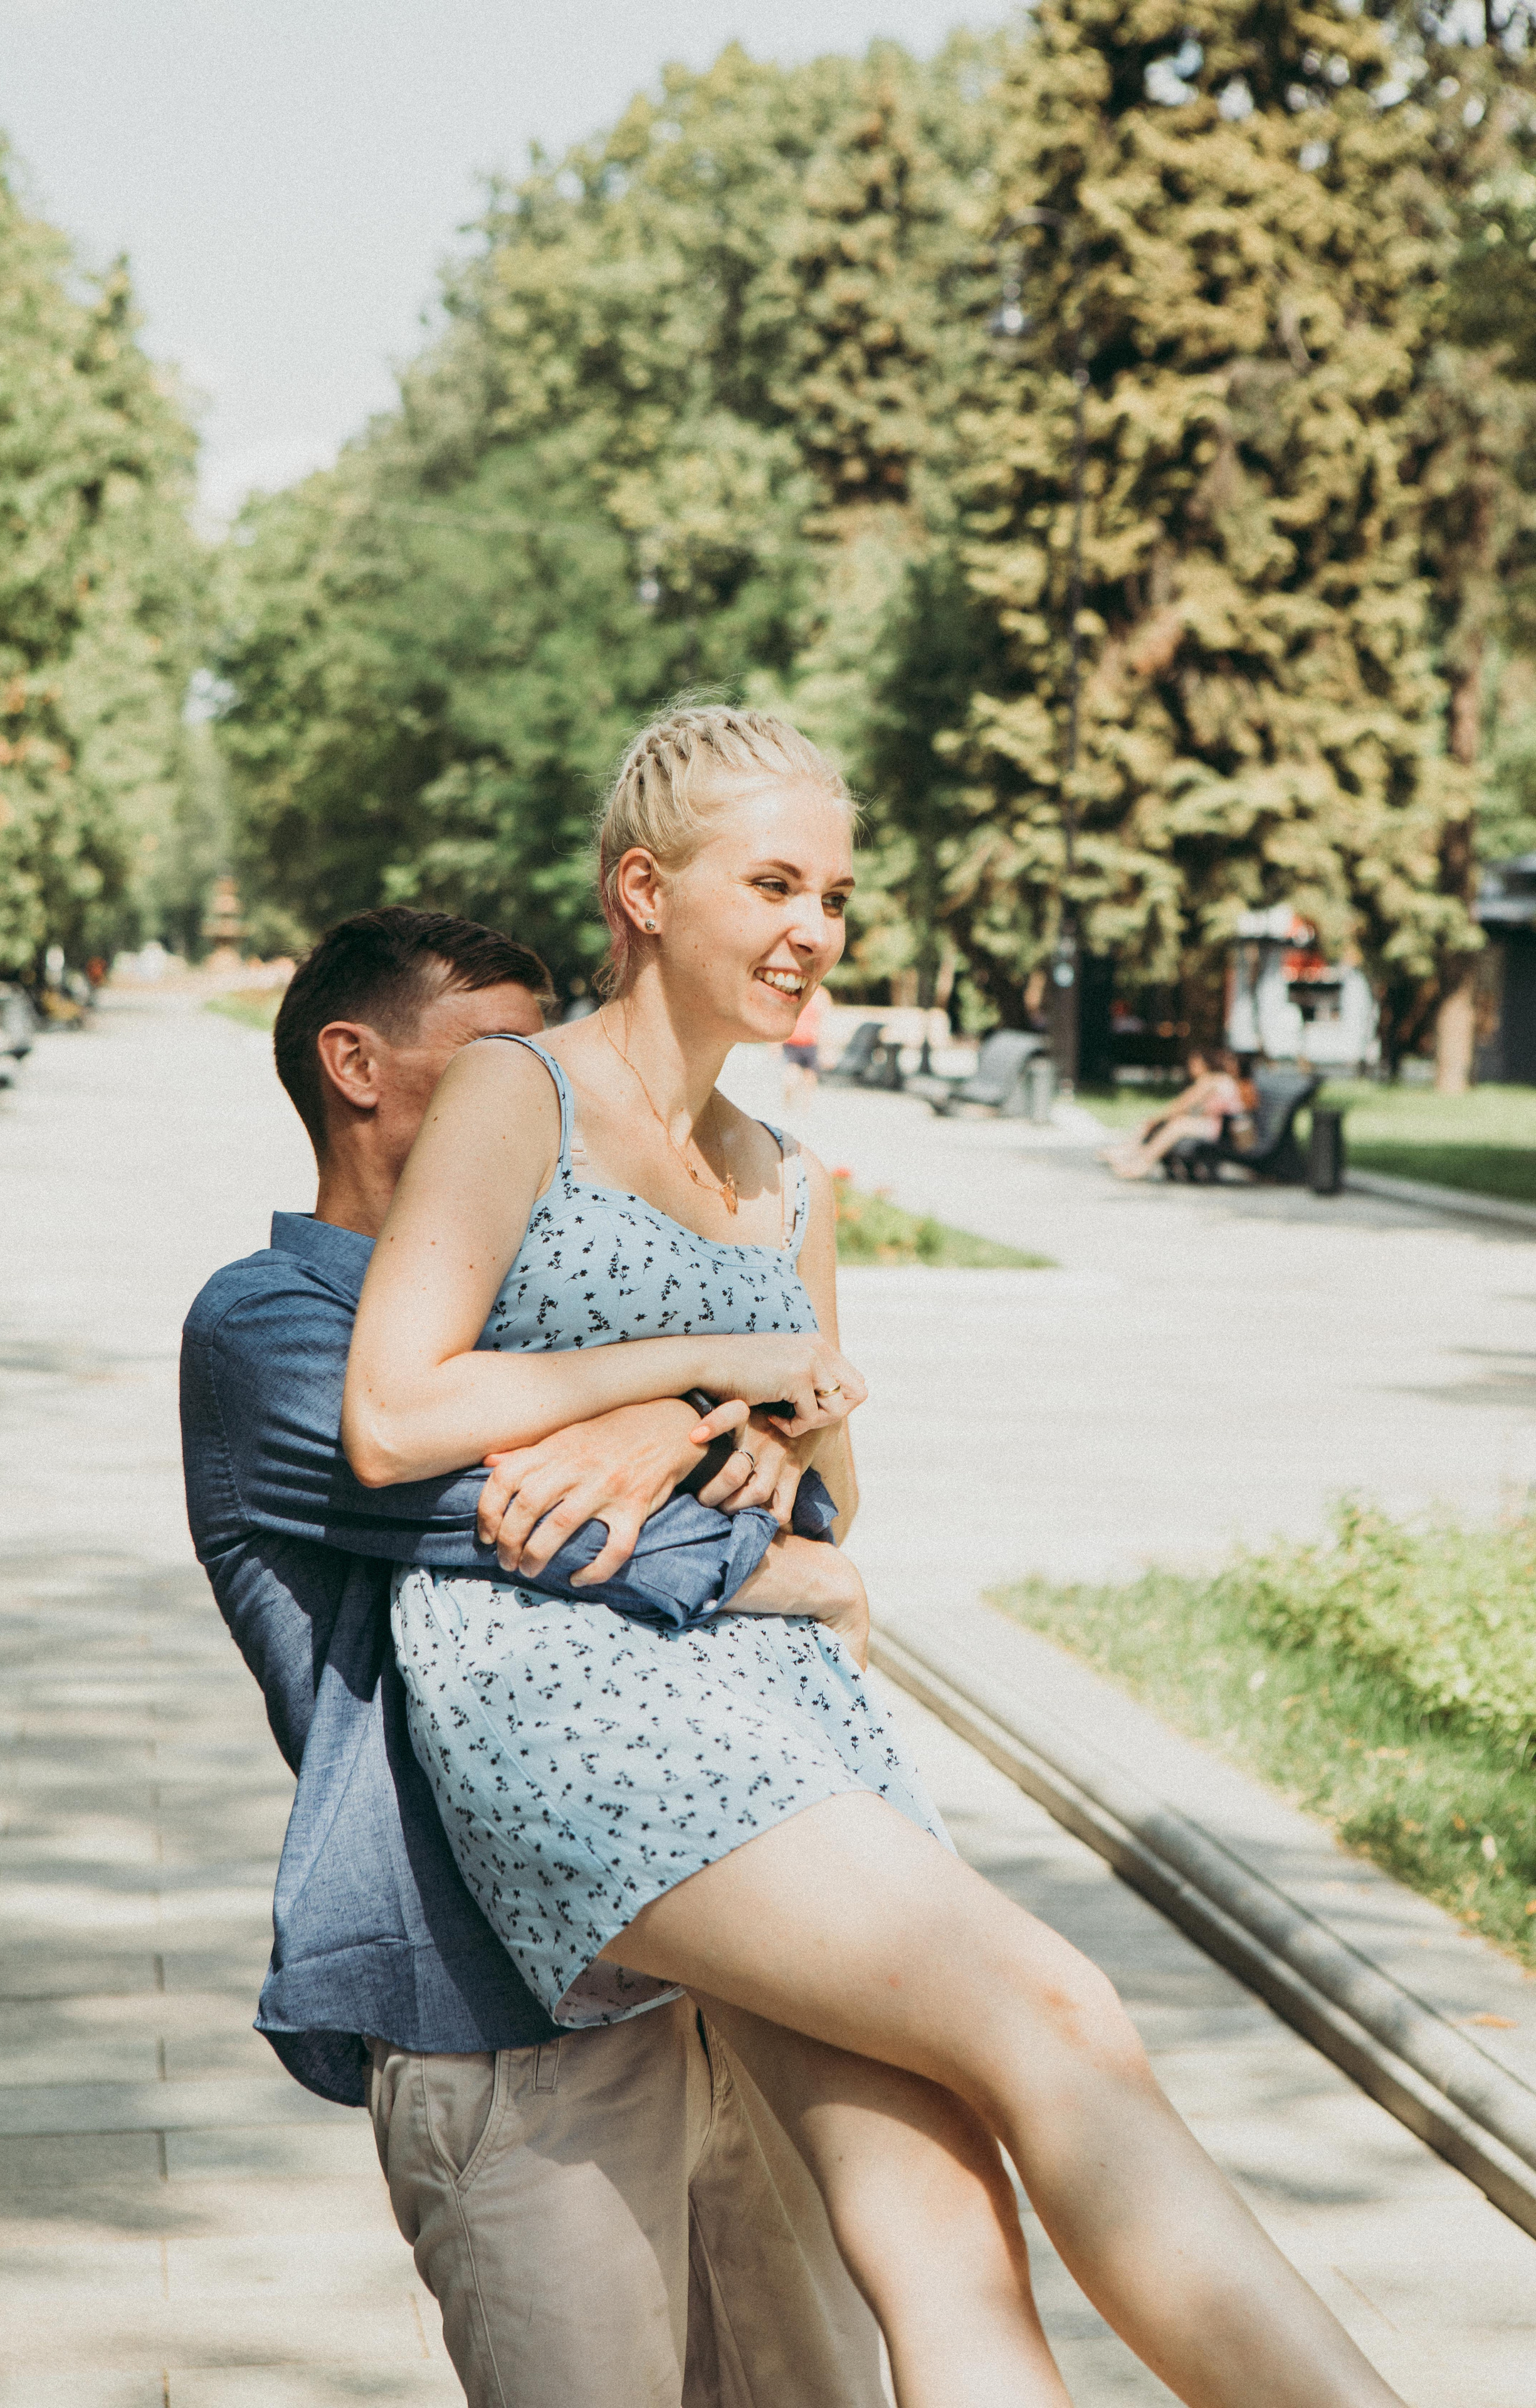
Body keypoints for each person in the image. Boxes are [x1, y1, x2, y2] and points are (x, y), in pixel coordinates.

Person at [344, 707, 1404, 2408]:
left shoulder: (786, 1178)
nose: (814, 931)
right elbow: (392, 1412)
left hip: (788, 1702)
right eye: (773, 884)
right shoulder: (515, 1090)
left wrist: (773, 1425)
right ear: (642, 891)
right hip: (580, 1694)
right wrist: (695, 1372)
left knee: (945, 2216)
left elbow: (831, 1487)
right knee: (1055, 2014)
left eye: (835, 895)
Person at [180, 906, 888, 2408]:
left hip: (721, 1962)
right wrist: (793, 1560)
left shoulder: (563, 1312)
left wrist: (699, 1425)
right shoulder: (272, 1325)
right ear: (353, 1065)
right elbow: (556, 1528)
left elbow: (792, 1470)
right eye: (501, 1056)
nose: (545, 1089)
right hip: (493, 2012)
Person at [1103, 1045, 1246, 1180]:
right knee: (1174, 1122)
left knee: (1177, 1124)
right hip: (1221, 1128)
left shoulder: (1212, 1080)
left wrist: (1158, 1117)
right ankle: (1131, 1155)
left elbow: (1182, 1104)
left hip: (1222, 1130)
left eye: (1195, 1063)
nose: (1191, 1068)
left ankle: (1141, 1163)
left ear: (1205, 1064)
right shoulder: (1220, 1080)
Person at [780, 978, 830, 1109]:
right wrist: (825, 1049)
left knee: (794, 1071)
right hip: (808, 1041)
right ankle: (804, 1105)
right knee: (809, 1075)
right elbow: (824, 1023)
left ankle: (789, 1103)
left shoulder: (796, 991)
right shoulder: (821, 995)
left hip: (794, 1039)